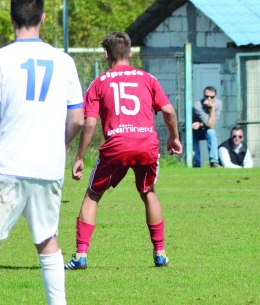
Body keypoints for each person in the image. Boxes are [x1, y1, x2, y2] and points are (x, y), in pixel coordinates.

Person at [0, 0, 84, 305]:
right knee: (48, 242)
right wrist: (56, 146)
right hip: (48, 166)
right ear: (42, 18)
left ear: (11, 18)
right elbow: (78, 120)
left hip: (8, 164)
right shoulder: (64, 61)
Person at [65, 31, 183, 271]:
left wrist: (79, 157)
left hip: (117, 145)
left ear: (106, 54)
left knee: (93, 195)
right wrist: (174, 138)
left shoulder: (99, 83)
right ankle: (160, 253)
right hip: (145, 143)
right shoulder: (148, 78)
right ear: (130, 52)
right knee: (148, 192)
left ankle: (81, 255)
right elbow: (169, 111)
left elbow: (89, 123)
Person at [192, 86, 222, 168]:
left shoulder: (218, 104)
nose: (209, 99)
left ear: (215, 96)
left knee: (211, 132)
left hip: (205, 129)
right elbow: (209, 124)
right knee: (191, 136)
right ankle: (196, 164)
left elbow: (211, 125)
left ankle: (214, 162)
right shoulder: (197, 105)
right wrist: (202, 124)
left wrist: (212, 108)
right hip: (194, 130)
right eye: (206, 96)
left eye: (211, 97)